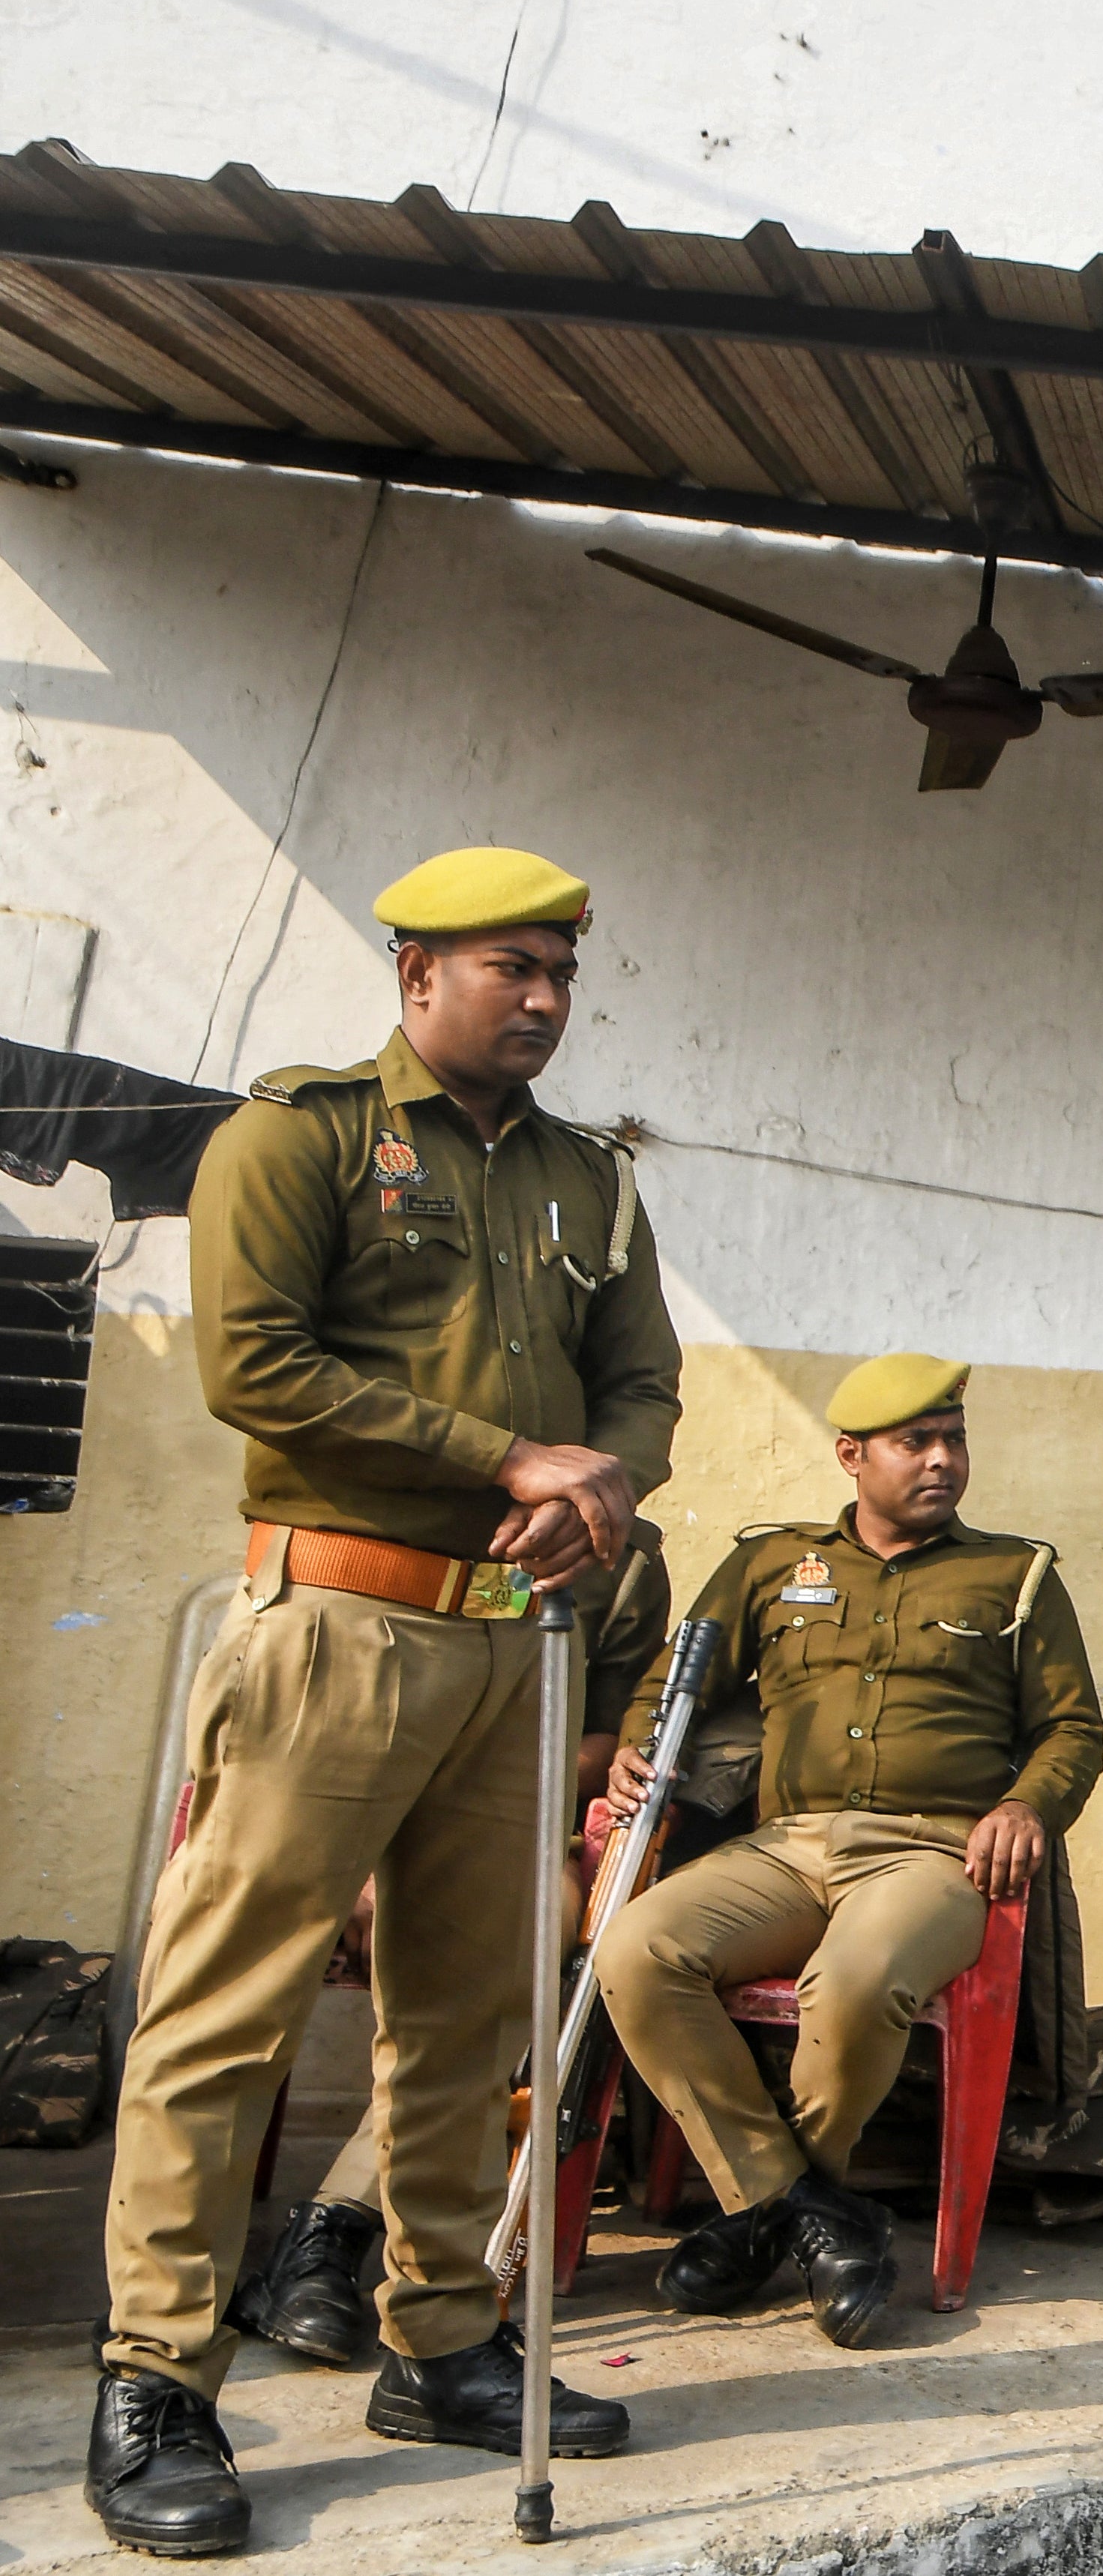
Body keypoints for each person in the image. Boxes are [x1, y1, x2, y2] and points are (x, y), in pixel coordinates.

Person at [93, 848, 676, 2557]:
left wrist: (606, 1486)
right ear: (417, 967)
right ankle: (157, 2376)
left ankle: (439, 2336)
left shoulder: (594, 1182)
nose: (551, 1000)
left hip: (516, 1637)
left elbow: (643, 1381)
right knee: (226, 2006)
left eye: (567, 970)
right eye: (518, 967)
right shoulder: (302, 1135)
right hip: (333, 1624)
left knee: (470, 2011)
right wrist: (507, 1452)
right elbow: (252, 1362)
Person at [594, 1353, 1101, 2349]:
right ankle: (809, 2212)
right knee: (635, 1950)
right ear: (851, 1455)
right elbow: (675, 1678)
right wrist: (633, 1747)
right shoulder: (771, 1563)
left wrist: (1028, 1806)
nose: (943, 1459)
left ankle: (765, 2212)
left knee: (859, 1980)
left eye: (954, 1439)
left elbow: (1071, 1730)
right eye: (916, 1442)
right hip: (784, 1845)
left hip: (934, 1853)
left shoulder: (1015, 1575)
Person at [227, 1517, 676, 2368]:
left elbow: (605, 1734)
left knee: (530, 1928)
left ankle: (329, 2234)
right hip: (336, 1804)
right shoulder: (369, 1506)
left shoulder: (626, 1559)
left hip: (500, 1823)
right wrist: (366, 1862)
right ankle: (165, 2320)